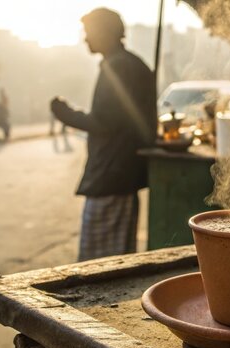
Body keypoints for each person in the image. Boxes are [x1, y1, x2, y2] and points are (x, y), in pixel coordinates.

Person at [50, 8, 157, 261]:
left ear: (105, 33)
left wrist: (64, 113)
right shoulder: (125, 63)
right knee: (115, 257)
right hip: (118, 174)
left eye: (88, 33)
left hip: (112, 175)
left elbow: (104, 122)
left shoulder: (118, 66)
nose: (85, 39)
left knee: (100, 264)